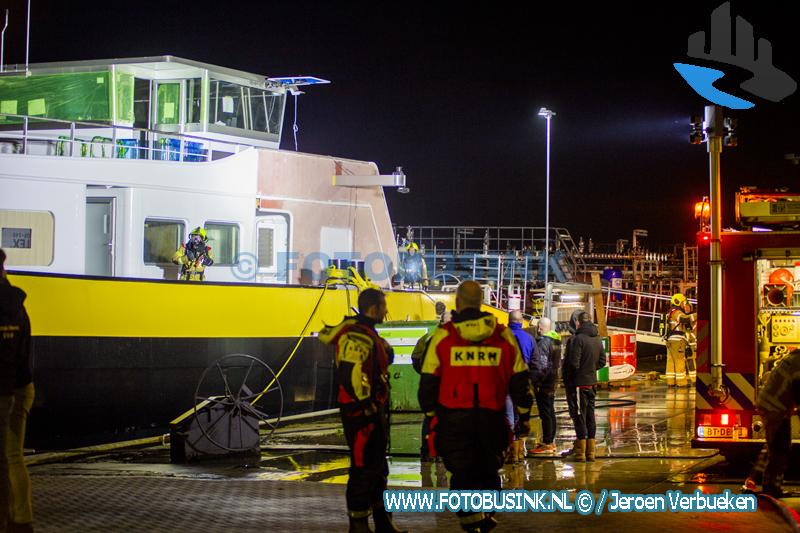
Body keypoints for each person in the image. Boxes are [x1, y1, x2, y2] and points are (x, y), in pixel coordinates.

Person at [419, 281, 533, 532]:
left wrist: (431, 416)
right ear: (481, 302)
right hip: (492, 419)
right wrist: (524, 417)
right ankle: (486, 515)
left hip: (454, 421)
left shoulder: (443, 337)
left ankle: (473, 522)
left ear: (458, 302)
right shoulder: (502, 336)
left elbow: (427, 382)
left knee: (461, 475)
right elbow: (520, 380)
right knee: (489, 472)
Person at [319, 288, 406, 533]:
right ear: (373, 308)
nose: (386, 311)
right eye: (383, 306)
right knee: (363, 470)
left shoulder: (367, 333)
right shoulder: (356, 336)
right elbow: (350, 374)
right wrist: (367, 406)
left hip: (373, 412)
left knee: (378, 469)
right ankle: (358, 526)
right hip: (361, 415)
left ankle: (383, 523)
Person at [0, 249, 35, 533]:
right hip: (21, 386)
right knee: (13, 456)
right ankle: (21, 519)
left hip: (5, 389)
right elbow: (22, 349)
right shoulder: (15, 303)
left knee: (6, 458)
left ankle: (10, 519)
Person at [756, 348, 800, 497]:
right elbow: (799, 393)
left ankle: (770, 485)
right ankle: (771, 488)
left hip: (772, 405)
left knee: (777, 447)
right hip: (774, 408)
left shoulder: (794, 359)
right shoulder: (798, 363)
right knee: (780, 447)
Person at [562, 311, 605, 462]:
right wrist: (591, 370)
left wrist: (570, 377)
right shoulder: (597, 339)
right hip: (592, 382)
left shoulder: (577, 339)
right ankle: (591, 452)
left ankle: (581, 452)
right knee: (590, 415)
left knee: (579, 416)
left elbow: (573, 363)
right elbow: (602, 361)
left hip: (579, 384)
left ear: (578, 323)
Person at [505, 310, 535, 462]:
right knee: (520, 416)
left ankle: (511, 452)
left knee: (508, 416)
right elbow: (536, 363)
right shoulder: (529, 338)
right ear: (521, 321)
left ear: (508, 321)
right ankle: (519, 452)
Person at [529, 317, 562, 455]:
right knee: (550, 412)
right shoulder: (556, 341)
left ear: (540, 328)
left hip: (545, 383)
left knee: (545, 413)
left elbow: (542, 365)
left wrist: (537, 382)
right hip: (553, 380)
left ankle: (547, 443)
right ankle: (550, 441)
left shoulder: (544, 342)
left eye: (538, 327)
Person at [664, 293, 695, 386]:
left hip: (670, 340)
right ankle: (681, 383)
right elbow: (684, 319)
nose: (683, 305)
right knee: (679, 360)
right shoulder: (676, 312)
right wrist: (697, 315)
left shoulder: (669, 312)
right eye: (682, 303)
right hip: (678, 341)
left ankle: (670, 381)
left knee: (670, 361)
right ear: (678, 302)